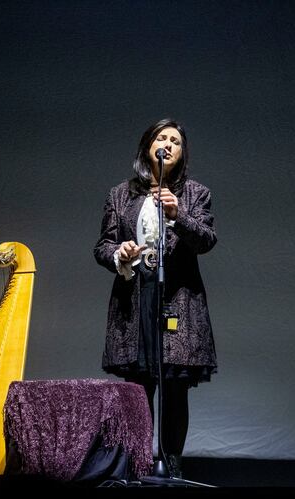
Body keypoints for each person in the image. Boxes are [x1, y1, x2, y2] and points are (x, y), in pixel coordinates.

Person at [93, 118, 217, 478]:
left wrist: (178, 215)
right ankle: (137, 465)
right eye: (161, 138)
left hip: (176, 299)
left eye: (175, 141)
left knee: (175, 388)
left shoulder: (195, 193)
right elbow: (101, 247)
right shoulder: (120, 194)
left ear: (181, 153)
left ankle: (172, 466)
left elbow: (206, 240)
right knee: (137, 389)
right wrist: (120, 251)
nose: (167, 145)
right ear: (148, 146)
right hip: (135, 299)